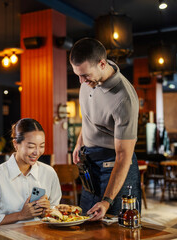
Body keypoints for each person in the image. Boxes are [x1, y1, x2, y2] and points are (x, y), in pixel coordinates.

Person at [69, 38, 141, 221]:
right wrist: (80, 142)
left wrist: (107, 200)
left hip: (115, 166)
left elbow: (124, 156)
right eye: (77, 75)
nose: (81, 81)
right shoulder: (87, 81)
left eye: (85, 75)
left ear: (102, 64)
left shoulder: (124, 98)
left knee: (118, 228)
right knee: (85, 224)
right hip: (90, 165)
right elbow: (88, 118)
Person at [0, 118, 61, 232]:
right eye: (31, 146)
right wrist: (20, 215)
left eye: (41, 146)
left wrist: (47, 211)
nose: (37, 152)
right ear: (16, 144)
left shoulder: (49, 173)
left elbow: (56, 210)